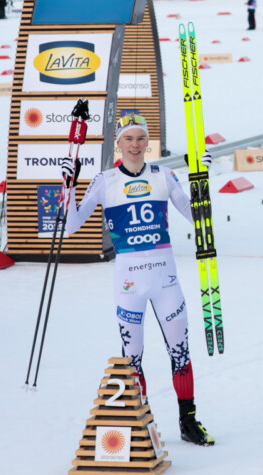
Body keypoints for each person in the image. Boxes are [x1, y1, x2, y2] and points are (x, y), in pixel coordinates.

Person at [63, 114, 215, 446]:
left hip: (165, 279)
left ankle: (188, 421)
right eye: (128, 139)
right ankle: (140, 421)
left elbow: (198, 218)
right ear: (118, 143)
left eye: (140, 139)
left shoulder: (165, 175)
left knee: (180, 351)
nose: (135, 145)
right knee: (132, 357)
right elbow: (71, 225)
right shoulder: (105, 180)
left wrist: (200, 179)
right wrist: (68, 184)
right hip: (129, 281)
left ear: (148, 142)